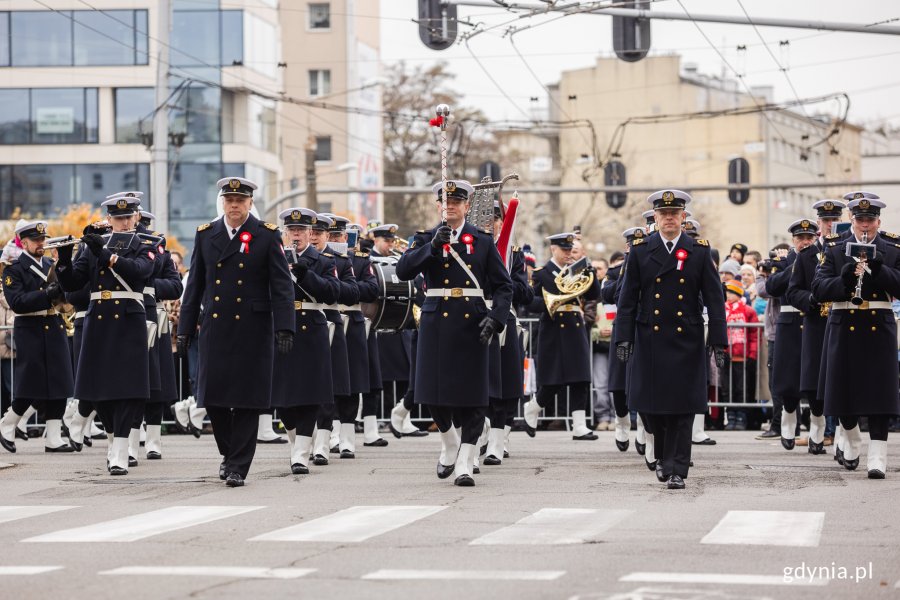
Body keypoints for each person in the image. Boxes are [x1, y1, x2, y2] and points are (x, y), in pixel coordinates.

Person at [177, 177, 295, 487]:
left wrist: (285, 326)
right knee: (213, 400)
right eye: (229, 199)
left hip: (253, 330)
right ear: (223, 202)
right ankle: (230, 453)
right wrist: (184, 328)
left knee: (246, 402)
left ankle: (237, 467)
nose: (234, 205)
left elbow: (282, 287)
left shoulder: (266, 236)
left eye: (240, 200)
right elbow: (195, 288)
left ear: (250, 203)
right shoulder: (206, 235)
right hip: (216, 329)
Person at [396, 179, 513, 487]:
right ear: (438, 206)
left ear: (466, 206)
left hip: (472, 324)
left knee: (474, 398)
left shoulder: (483, 241)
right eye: (445, 203)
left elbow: (503, 286)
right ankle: (450, 441)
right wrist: (432, 247)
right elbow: (403, 270)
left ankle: (465, 460)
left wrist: (496, 317)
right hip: (436, 324)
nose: (450, 207)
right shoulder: (426, 238)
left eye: (456, 202)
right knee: (433, 394)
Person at [614, 189, 727, 490]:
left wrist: (718, 340)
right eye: (663, 215)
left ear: (682, 217)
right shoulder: (640, 250)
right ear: (656, 218)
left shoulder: (699, 250)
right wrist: (623, 338)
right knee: (652, 409)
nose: (668, 219)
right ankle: (663, 457)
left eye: (674, 214)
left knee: (682, 408)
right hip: (650, 338)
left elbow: (715, 300)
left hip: (685, 338)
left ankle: (677, 468)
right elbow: (627, 300)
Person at [55, 196, 156, 475]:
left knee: (128, 390)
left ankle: (121, 450)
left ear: (135, 218)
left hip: (129, 320)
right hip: (98, 321)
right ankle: (113, 441)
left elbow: (140, 272)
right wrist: (64, 260)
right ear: (109, 219)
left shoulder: (146, 244)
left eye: (128, 217)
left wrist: (106, 256)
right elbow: (74, 286)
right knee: (98, 391)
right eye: (117, 217)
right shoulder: (92, 246)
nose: (123, 222)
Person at [812, 192, 900, 478]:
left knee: (880, 394)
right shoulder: (836, 249)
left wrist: (878, 269)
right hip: (844, 323)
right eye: (860, 219)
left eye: (870, 220)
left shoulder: (893, 247)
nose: (865, 225)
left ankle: (878, 456)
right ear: (851, 219)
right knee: (842, 390)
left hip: (879, 325)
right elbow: (819, 288)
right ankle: (850, 438)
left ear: (878, 221)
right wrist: (846, 278)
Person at [272, 208, 339, 474]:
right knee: (283, 399)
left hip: (311, 328)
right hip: (282, 329)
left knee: (310, 395)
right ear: (285, 234)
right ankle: (296, 442)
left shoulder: (322, 260)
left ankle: (300, 453)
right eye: (292, 231)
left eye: (301, 231)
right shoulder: (275, 258)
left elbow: (334, 292)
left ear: (310, 233)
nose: (296, 235)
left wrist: (306, 275)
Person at [0, 221, 75, 454]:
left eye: (43, 239)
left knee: (59, 383)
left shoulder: (51, 265)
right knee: (30, 384)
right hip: (30, 327)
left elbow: (67, 295)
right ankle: (7, 423)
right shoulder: (13, 269)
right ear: (24, 242)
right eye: (36, 240)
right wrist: (46, 294)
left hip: (53, 324)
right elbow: (18, 303)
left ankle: (53, 437)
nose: (42, 243)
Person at [523, 232, 602, 441]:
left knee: (581, 378)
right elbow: (530, 302)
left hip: (575, 326)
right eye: (564, 250)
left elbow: (594, 295)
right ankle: (533, 407)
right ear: (553, 249)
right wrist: (551, 304)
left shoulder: (577, 271)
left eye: (570, 250)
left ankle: (579, 426)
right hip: (552, 328)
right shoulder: (541, 274)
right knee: (552, 380)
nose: (568, 253)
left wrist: (591, 274)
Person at [787, 202, 845, 455]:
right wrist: (810, 301)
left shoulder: (849, 250)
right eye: (826, 220)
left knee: (843, 378)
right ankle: (817, 429)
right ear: (819, 223)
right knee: (813, 381)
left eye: (835, 219)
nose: (830, 224)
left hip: (845, 321)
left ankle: (843, 435)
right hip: (816, 321)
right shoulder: (807, 255)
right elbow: (793, 290)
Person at [484, 201, 533, 466]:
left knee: (504, 384)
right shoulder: (473, 248)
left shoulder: (513, 254)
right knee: (480, 383)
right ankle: (480, 432)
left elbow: (526, 294)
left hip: (505, 318)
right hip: (477, 317)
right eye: (487, 218)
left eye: (496, 218)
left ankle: (497, 440)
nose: (492, 223)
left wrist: (504, 277)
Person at [767, 221, 817, 445]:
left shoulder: (821, 258)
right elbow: (772, 287)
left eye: (809, 238)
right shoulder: (784, 260)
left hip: (813, 320)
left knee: (815, 378)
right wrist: (795, 266)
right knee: (788, 378)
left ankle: (818, 425)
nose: (805, 242)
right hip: (789, 322)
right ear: (794, 241)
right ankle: (788, 417)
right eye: (800, 238)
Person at [722, 279, 760, 429]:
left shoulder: (748, 310)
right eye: (727, 292)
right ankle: (730, 417)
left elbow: (754, 335)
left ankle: (741, 417)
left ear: (738, 294)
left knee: (740, 388)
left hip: (741, 356)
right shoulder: (722, 309)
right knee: (726, 389)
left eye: (731, 292)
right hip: (726, 356)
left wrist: (752, 354)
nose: (728, 295)